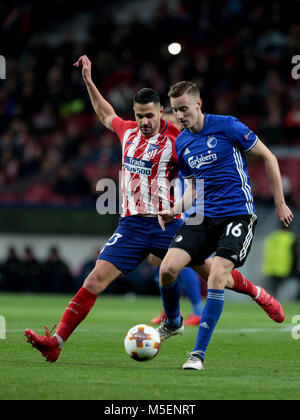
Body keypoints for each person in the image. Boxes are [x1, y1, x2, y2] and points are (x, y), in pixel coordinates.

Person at [25, 60, 286, 363]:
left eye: (150, 115)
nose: (144, 121)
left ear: (162, 111)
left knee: (219, 276)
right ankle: (56, 342)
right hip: (131, 227)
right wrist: (88, 80)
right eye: (139, 115)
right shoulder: (127, 132)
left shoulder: (179, 139)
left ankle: (257, 294)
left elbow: (202, 169)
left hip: (169, 225)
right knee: (94, 279)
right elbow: (105, 113)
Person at [157, 81, 294, 371]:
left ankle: (198, 355)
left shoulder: (228, 126)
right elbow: (193, 189)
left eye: (184, 109)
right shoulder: (182, 142)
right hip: (203, 216)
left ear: (198, 104)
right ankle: (174, 322)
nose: (180, 116)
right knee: (167, 270)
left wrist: (280, 202)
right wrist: (174, 210)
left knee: (217, 275)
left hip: (237, 215)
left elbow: (268, 156)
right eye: (175, 110)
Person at [150, 108, 204, 326]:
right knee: (157, 257)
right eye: (167, 122)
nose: (170, 127)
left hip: (187, 208)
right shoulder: (165, 145)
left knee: (185, 260)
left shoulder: (185, 146)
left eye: (174, 122)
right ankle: (170, 309)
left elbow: (193, 183)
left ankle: (197, 310)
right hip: (170, 205)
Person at [262, 225, 298, 298]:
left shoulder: (273, 236)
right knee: (277, 287)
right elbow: (295, 253)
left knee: (273, 287)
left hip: (271, 266)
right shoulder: (290, 237)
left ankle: (270, 299)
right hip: (284, 267)